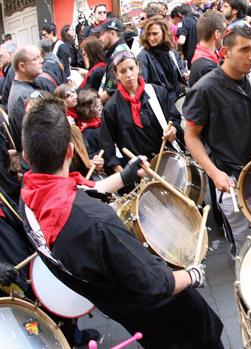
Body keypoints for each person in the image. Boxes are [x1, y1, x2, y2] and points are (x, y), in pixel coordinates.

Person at [18, 96, 224, 348]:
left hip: (123, 308)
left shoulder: (29, 199)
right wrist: (193, 274)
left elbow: (76, 192)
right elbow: (159, 283)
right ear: (70, 151)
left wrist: (125, 176)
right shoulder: (97, 223)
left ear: (27, 155)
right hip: (168, 313)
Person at [183, 21, 251, 253]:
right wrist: (214, 172)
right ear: (225, 51)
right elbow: (191, 137)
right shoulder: (204, 90)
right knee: (245, 244)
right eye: (244, 50)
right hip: (232, 180)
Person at [99, 51, 180, 173]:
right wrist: (122, 172)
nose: (129, 74)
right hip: (139, 171)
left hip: (169, 161)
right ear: (116, 75)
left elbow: (174, 118)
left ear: (138, 67)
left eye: (131, 68)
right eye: (122, 71)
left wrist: (173, 129)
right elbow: (107, 144)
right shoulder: (111, 108)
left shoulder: (157, 92)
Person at [137, 16, 186, 104]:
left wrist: (184, 74)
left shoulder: (171, 52)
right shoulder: (143, 56)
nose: (151, 38)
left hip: (175, 100)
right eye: (148, 34)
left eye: (155, 34)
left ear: (164, 33)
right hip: (159, 103)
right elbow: (142, 84)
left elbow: (180, 69)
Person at [7, 46, 45, 152]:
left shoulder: (24, 90)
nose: (41, 60)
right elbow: (40, 136)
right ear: (22, 67)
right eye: (36, 58)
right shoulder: (24, 97)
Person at [93, 18, 131, 103]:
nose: (99, 38)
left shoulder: (119, 55)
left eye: (102, 34)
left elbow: (111, 92)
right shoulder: (117, 52)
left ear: (113, 33)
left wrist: (90, 104)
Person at [188, 11, 226, 87]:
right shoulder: (207, 67)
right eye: (224, 31)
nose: (225, 35)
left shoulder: (203, 54)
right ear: (217, 34)